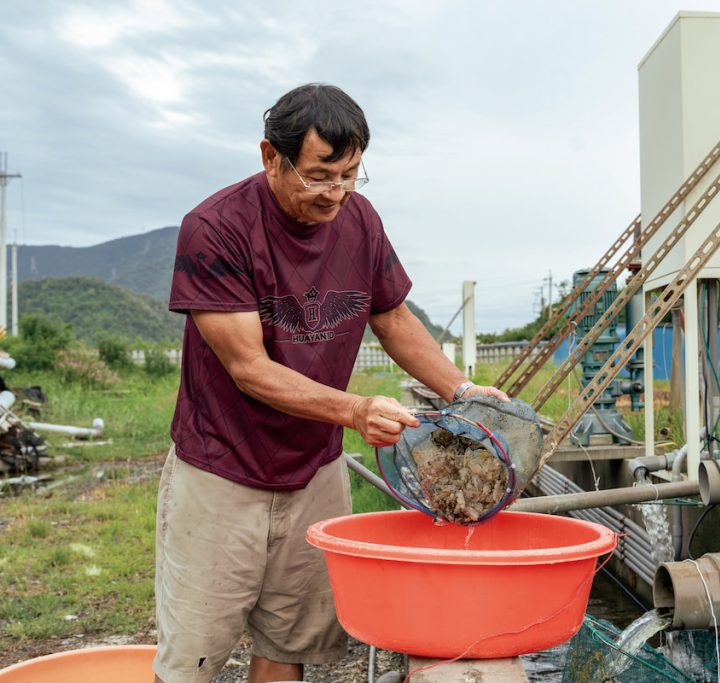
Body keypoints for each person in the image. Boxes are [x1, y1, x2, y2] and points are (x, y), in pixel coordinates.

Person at [154, 83, 507, 683]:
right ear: (272, 157)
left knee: (289, 641)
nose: (336, 193)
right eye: (320, 176)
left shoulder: (360, 221)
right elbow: (249, 368)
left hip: (315, 472)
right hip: (220, 472)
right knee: (195, 655)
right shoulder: (215, 229)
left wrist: (461, 390)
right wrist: (355, 410)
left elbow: (393, 319)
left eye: (351, 175)